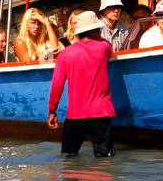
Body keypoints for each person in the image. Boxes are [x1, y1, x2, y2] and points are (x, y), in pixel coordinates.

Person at [47, 10, 115, 156]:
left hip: (75, 115)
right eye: (99, 29)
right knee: (104, 158)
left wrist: (52, 110)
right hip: (101, 112)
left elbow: (57, 84)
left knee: (68, 156)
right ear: (94, 30)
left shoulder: (65, 54)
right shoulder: (104, 47)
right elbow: (108, 47)